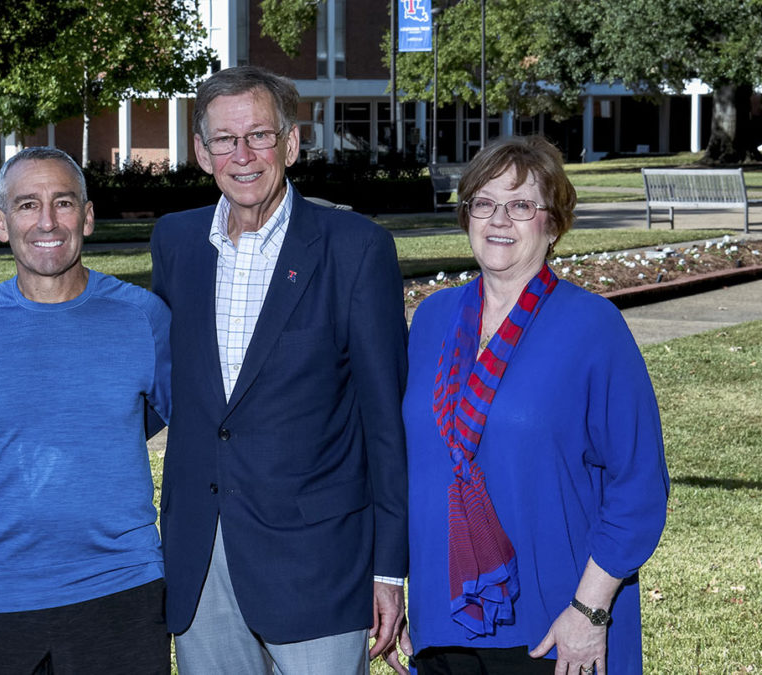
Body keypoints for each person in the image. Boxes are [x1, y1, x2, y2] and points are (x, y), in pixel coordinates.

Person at [150, 65, 410, 674]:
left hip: (319, 567)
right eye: (224, 139)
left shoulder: (355, 248)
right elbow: (164, 388)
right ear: (201, 151)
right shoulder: (176, 242)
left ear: (291, 144)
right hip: (202, 561)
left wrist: (390, 569)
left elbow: (385, 422)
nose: (243, 155)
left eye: (260, 136)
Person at [401, 135, 669, 675]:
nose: (499, 219)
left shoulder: (591, 326)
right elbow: (411, 466)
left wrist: (589, 610)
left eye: (521, 205)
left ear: (552, 223)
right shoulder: (432, 319)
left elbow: (638, 484)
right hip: (440, 619)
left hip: (552, 628)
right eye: (483, 201)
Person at [0, 146, 172, 673]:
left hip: (121, 590)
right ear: (1, 224)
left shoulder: (143, 319)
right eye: (27, 205)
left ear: (87, 217)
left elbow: (198, 433)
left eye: (63, 202)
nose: (47, 221)